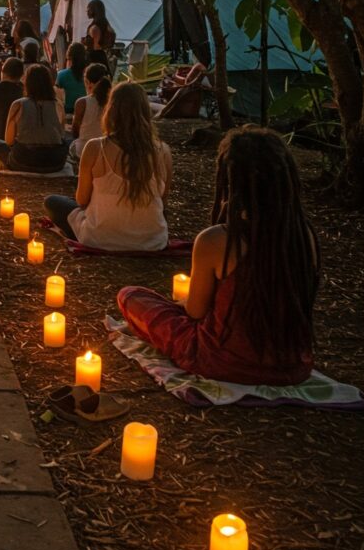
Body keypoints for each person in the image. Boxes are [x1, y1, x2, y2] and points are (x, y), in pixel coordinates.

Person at [118, 128, 318, 385]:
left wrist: (181, 305)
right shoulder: (304, 238)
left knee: (130, 295)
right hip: (291, 365)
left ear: (229, 180)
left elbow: (195, 311)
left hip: (221, 361)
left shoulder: (216, 240)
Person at [44, 82, 172, 251]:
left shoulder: (96, 148)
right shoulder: (163, 151)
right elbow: (163, 200)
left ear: (111, 110)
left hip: (99, 238)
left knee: (52, 202)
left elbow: (82, 200)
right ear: (145, 112)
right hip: (152, 240)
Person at [0, 64, 68, 172]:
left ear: (27, 83)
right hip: (54, 163)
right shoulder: (58, 105)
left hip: (23, 161)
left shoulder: (18, 105)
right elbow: (61, 135)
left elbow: (9, 141)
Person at [71, 63, 110, 159]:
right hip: (107, 151)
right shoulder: (114, 101)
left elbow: (75, 132)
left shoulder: (82, 102)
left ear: (87, 82)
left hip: (85, 151)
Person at [56, 42, 88, 116]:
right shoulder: (88, 74)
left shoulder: (61, 75)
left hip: (67, 113)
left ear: (69, 57)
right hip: (85, 111)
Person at [84, 0, 116, 65]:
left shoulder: (95, 28)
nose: (87, 11)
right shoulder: (107, 26)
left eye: (88, 9)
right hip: (104, 60)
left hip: (94, 62)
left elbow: (96, 48)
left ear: (93, 10)